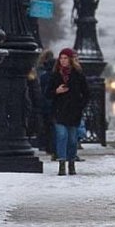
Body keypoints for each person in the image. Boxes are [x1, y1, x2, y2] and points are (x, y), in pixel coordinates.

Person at [46, 48, 90, 176]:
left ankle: (71, 162)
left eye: (65, 58)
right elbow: (47, 93)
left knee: (72, 139)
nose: (63, 61)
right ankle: (61, 163)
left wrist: (80, 106)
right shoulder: (55, 75)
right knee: (61, 136)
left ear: (70, 59)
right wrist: (56, 91)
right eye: (61, 58)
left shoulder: (78, 74)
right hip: (59, 111)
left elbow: (86, 93)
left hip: (73, 112)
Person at [35, 50, 57, 159]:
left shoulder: (42, 75)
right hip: (52, 104)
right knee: (53, 127)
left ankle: (47, 146)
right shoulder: (53, 76)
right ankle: (53, 148)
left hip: (45, 104)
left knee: (47, 127)